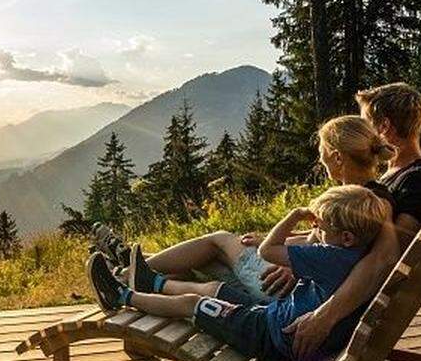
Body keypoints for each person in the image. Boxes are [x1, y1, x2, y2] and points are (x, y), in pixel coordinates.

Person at [107, 114, 396, 306]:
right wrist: (277, 239)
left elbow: (354, 257)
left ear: (336, 156)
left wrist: (297, 269)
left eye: (322, 150)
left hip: (292, 290)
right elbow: (324, 237)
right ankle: (134, 268)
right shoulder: (365, 196)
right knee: (209, 263)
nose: (319, 158)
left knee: (218, 240)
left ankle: (127, 273)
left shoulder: (367, 201)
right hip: (298, 279)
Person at [87, 185, 392, 361]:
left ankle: (123, 295)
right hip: (274, 316)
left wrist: (295, 215)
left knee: (194, 302)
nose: (314, 230)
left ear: (346, 237)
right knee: (214, 289)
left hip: (267, 335)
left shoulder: (329, 256)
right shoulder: (356, 253)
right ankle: (151, 281)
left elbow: (268, 251)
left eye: (319, 227)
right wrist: (318, 231)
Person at [279, 83, 421, 360]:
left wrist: (324, 315)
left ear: (385, 128)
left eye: (364, 124)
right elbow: (355, 238)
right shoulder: (394, 176)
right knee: (232, 249)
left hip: (334, 301)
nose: (360, 132)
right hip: (322, 283)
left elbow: (382, 257)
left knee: (220, 255)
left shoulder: (416, 183)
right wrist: (295, 252)